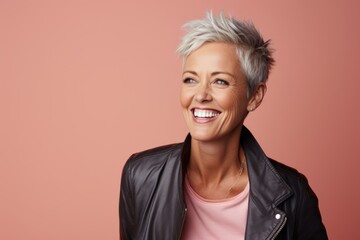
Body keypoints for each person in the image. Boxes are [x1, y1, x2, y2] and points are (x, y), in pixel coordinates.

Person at [119, 12, 328, 240]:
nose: (201, 95)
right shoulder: (141, 176)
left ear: (254, 96)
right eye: (191, 79)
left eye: (220, 81)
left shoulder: (293, 195)